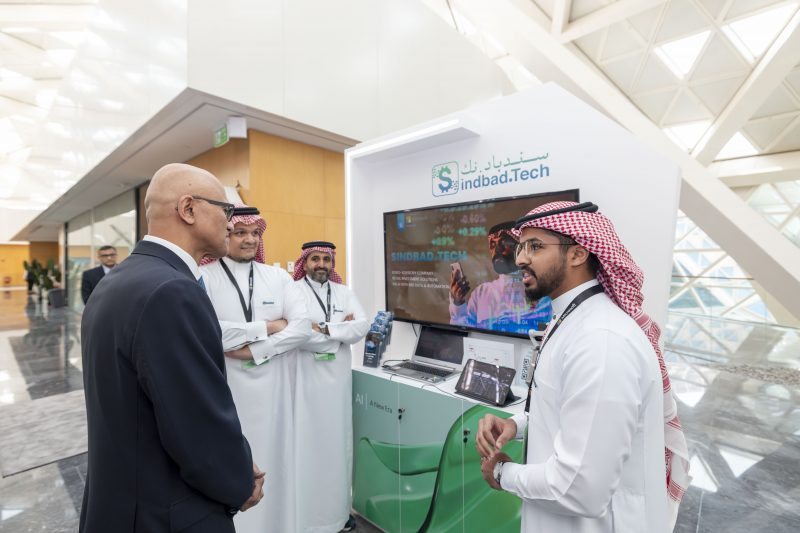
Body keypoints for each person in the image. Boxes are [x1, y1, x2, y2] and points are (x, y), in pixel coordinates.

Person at [476, 201, 690, 533]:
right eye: (520, 246)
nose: (519, 259)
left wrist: (504, 474)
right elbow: (568, 410)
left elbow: (580, 489)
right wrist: (515, 425)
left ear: (577, 254)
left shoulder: (600, 342)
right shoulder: (573, 321)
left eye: (535, 246)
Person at [80, 163, 263, 533]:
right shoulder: (172, 291)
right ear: (189, 209)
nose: (231, 223)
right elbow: (195, 421)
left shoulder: (119, 281)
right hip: (166, 511)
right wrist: (239, 481)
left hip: (122, 501)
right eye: (226, 210)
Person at [200, 205, 311, 533]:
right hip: (226, 391)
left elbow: (302, 327)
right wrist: (269, 327)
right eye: (240, 232)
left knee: (275, 467)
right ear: (226, 234)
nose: (249, 239)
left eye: (255, 234)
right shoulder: (203, 277)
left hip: (274, 396)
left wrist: (255, 351)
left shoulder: (277, 277)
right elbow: (210, 332)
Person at [292, 241, 369, 533]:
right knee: (307, 447)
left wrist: (321, 328)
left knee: (338, 447)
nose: (321, 264)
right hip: (305, 384)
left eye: (326, 259)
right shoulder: (294, 291)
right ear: (306, 262)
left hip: (337, 385)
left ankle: (337, 516)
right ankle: (307, 519)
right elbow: (297, 334)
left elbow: (361, 327)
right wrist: (338, 330)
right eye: (315, 258)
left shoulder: (344, 292)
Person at [449, 221, 551, 334]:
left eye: (504, 243)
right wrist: (458, 304)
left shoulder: (540, 289)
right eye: (493, 245)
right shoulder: (481, 292)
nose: (497, 250)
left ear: (520, 248)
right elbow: (464, 332)